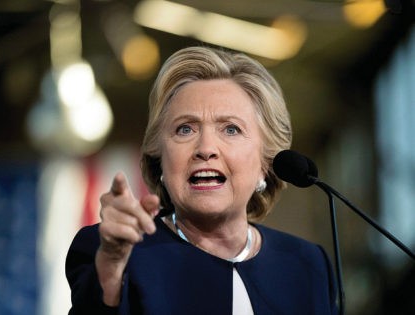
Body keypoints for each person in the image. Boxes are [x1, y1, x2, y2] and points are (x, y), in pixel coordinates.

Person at [66, 46, 338, 315]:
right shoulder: (113, 253)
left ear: (265, 163)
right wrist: (111, 273)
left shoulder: (308, 264)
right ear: (159, 158)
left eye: (231, 129)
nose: (206, 148)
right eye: (185, 129)